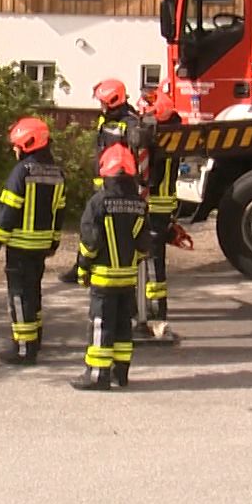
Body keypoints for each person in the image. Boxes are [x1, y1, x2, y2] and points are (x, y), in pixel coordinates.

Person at [0, 116, 67, 365]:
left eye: (17, 145)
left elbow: (9, 209)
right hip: (41, 246)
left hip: (20, 246)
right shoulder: (57, 173)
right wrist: (54, 242)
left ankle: (24, 349)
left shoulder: (21, 172)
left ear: (28, 143)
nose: (15, 149)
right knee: (33, 292)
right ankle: (35, 340)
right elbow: (59, 212)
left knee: (19, 295)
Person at [72, 143, 148, 391]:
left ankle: (97, 375)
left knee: (101, 325)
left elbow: (90, 243)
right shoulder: (139, 203)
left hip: (103, 279)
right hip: (127, 279)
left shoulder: (98, 202)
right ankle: (120, 373)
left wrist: (82, 269)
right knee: (123, 326)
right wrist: (131, 263)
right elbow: (144, 245)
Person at [59, 76, 139, 287]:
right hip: (102, 181)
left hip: (119, 183)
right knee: (90, 224)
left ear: (113, 101)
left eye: (103, 101)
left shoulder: (130, 122)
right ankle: (82, 264)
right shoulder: (107, 119)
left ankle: (108, 265)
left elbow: (136, 145)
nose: (101, 105)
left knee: (112, 226)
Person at [131, 90, 184, 344]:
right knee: (155, 261)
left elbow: (151, 177)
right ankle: (154, 307)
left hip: (153, 206)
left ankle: (154, 311)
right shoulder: (175, 132)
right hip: (163, 206)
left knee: (150, 260)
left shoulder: (159, 140)